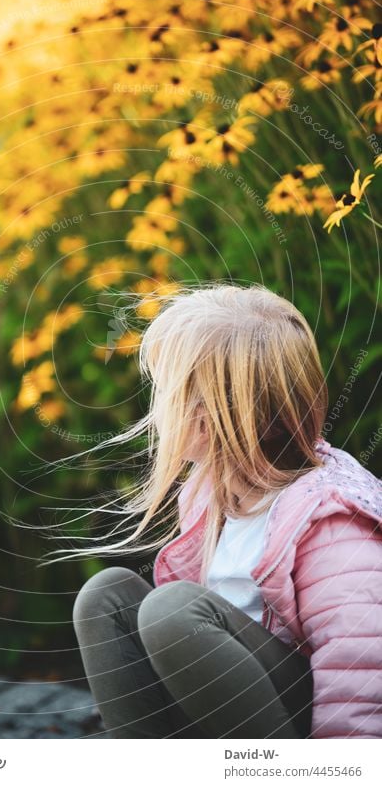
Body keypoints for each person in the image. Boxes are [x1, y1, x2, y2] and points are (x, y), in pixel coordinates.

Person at [66, 282, 382, 738]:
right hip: (230, 707)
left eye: (167, 393)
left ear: (221, 415)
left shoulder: (330, 523)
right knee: (106, 596)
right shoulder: (210, 495)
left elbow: (362, 672)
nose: (156, 411)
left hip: (303, 730)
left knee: (173, 611)